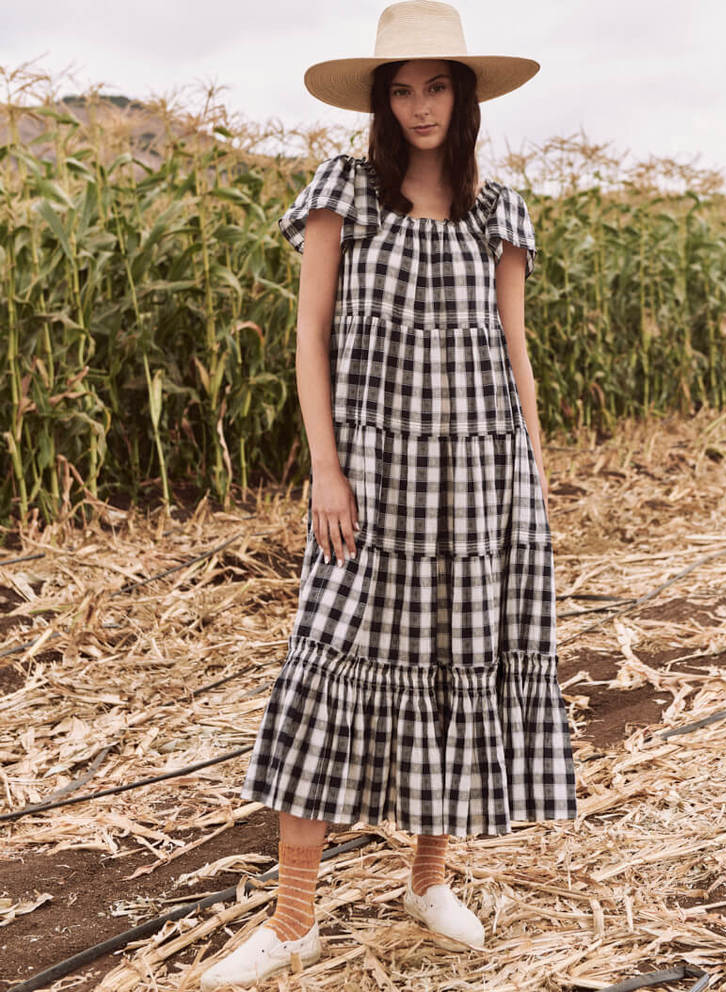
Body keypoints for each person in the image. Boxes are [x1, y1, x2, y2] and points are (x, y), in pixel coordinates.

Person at [200, 1, 577, 987]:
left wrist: (533, 476)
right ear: (380, 101)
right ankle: (293, 921)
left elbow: (514, 350)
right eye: (401, 89)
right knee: (326, 667)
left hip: (480, 476)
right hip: (371, 478)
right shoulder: (345, 192)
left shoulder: (498, 211)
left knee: (456, 661)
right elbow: (308, 337)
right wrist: (324, 469)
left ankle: (427, 878)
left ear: (464, 96)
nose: (419, 105)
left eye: (436, 85)